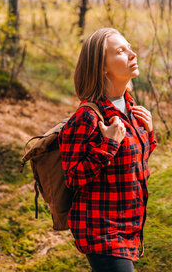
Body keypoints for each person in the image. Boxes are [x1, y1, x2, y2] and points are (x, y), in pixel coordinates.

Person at [59, 27, 157, 272]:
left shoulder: (131, 107)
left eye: (129, 47)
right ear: (102, 67)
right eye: (121, 51)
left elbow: (134, 162)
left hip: (129, 226)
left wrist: (148, 132)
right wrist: (109, 144)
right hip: (100, 229)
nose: (133, 54)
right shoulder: (87, 118)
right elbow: (73, 177)